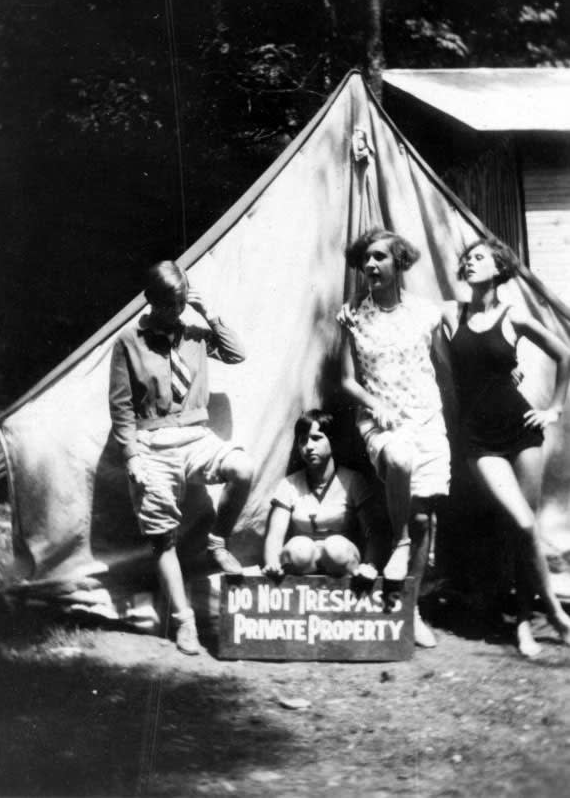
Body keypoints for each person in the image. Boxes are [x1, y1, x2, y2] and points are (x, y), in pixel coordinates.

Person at [109, 260, 253, 655]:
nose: (176, 313)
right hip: (152, 443)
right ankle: (184, 622)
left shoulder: (194, 334)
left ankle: (217, 540)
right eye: (168, 305)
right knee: (162, 537)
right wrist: (132, 456)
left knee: (242, 467)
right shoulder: (128, 341)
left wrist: (210, 314)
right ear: (150, 301)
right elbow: (121, 406)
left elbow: (237, 354)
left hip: (195, 436)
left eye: (182, 304)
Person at [443, 237, 570, 657]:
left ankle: (522, 625)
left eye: (479, 257)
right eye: (467, 258)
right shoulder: (451, 312)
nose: (470, 262)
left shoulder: (514, 317)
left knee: (524, 529)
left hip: (520, 431)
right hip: (478, 440)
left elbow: (564, 354)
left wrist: (553, 409)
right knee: (519, 523)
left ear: (499, 268)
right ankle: (553, 611)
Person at [339, 227, 451, 648]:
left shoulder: (427, 313)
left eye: (380, 257)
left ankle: (411, 609)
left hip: (427, 420)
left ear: (399, 263)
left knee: (424, 515)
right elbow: (345, 379)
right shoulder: (351, 316)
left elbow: (443, 364)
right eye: (366, 259)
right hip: (380, 422)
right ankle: (400, 543)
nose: (371, 265)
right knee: (400, 460)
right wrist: (375, 402)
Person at [262, 410, 377, 578]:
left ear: (333, 441)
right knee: (299, 548)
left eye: (316, 438)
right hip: (302, 563)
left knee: (335, 548)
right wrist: (271, 564)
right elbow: (275, 535)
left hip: (341, 562)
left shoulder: (353, 481)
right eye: (302, 441)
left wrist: (370, 565)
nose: (308, 447)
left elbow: (373, 532)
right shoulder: (289, 484)